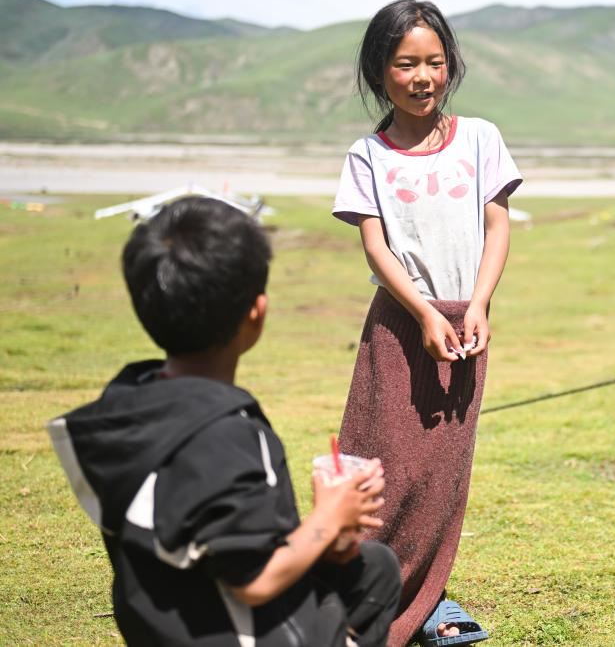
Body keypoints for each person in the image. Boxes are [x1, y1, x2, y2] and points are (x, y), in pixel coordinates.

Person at [47, 197, 401, 646]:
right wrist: (328, 518)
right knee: (369, 580)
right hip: (234, 629)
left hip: (166, 621)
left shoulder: (128, 403)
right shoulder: (225, 436)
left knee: (374, 569)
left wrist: (330, 533)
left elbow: (217, 535)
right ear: (257, 311)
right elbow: (254, 580)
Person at [332, 0, 522, 647]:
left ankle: (428, 598)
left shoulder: (481, 138)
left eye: (434, 62)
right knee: (383, 464)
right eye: (406, 64)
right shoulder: (368, 155)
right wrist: (421, 312)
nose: (423, 77)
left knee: (443, 471)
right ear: (378, 71)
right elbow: (376, 246)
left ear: (451, 65)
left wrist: (478, 304)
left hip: (464, 323)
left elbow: (497, 224)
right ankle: (357, 593)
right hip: (398, 324)